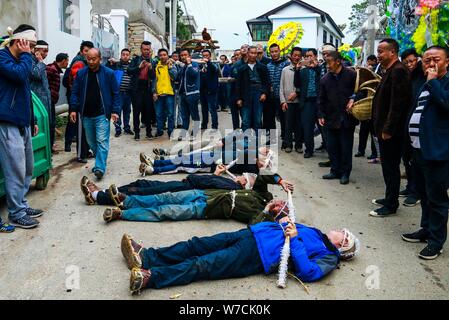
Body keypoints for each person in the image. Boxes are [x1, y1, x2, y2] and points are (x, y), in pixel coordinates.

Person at [120, 215, 359, 293]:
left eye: (343, 234)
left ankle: (150, 277)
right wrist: (279, 216)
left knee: (202, 265)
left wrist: (294, 238)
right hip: (250, 234)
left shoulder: (330, 256)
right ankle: (146, 255)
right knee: (196, 244)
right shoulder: (317, 233)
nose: (339, 230)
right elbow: (285, 231)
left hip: (256, 257)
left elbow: (309, 272)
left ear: (343, 245)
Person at [401, 46, 449, 260]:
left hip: (438, 153)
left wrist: (433, 81)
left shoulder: (439, 83)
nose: (430, 64)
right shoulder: (424, 84)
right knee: (424, 195)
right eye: (427, 60)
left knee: (437, 199)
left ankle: (436, 242)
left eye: (435, 59)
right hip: (418, 150)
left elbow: (446, 104)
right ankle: (426, 229)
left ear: (447, 62)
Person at [0, 24, 44, 230]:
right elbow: (18, 76)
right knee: (15, 169)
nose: (33, 50)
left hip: (23, 121)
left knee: (27, 167)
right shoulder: (3, 58)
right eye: (31, 45)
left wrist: (32, 120)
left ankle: (22, 205)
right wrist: (27, 56)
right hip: (7, 122)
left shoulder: (21, 60)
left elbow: (26, 92)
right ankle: (16, 213)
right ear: (20, 42)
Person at [81, 166, 293, 206]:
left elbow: (267, 175)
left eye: (247, 178)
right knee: (142, 183)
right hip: (186, 183)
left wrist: (280, 181)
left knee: (146, 193)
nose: (242, 177)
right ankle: (107, 192)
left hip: (188, 191)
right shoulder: (229, 182)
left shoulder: (238, 191)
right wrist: (216, 173)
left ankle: (98, 196)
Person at [370, 39, 412, 217]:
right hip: (385, 130)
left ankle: (391, 204)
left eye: (381, 51)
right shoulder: (390, 70)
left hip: (392, 132)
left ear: (392, 52)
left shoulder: (398, 71)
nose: (378, 55)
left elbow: (398, 105)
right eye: (378, 51)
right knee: (387, 167)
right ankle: (389, 197)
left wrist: (387, 129)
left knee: (391, 167)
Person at [69, 48, 120, 180]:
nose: (91, 62)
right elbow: (75, 92)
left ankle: (99, 168)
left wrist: (115, 111)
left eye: (94, 59)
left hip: (102, 114)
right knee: (91, 142)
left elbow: (115, 93)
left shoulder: (108, 73)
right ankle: (100, 161)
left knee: (102, 141)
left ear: (100, 59)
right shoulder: (81, 74)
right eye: (88, 59)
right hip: (86, 114)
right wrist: (73, 109)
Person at [318, 51, 358, 185]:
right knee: (332, 146)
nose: (327, 66)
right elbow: (321, 99)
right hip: (331, 118)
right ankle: (334, 170)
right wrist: (321, 115)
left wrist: (353, 98)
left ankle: (345, 173)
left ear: (338, 61)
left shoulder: (352, 75)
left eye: (329, 62)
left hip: (347, 118)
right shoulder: (325, 79)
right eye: (326, 62)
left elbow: (361, 91)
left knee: (346, 147)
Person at [399, 48, 426, 207]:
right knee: (407, 158)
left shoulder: (425, 77)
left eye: (412, 61)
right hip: (407, 124)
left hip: (420, 128)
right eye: (406, 62)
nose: (409, 64)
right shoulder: (409, 77)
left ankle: (416, 192)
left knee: (416, 161)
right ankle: (410, 187)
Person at [63, 40, 94, 162]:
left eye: (89, 51)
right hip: (79, 101)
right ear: (82, 51)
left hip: (83, 101)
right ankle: (81, 155)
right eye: (86, 51)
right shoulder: (79, 62)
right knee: (80, 129)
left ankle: (85, 152)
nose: (87, 53)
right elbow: (77, 85)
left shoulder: (85, 62)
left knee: (84, 128)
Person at [236, 46, 269, 132]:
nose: (253, 55)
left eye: (255, 53)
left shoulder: (262, 67)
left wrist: (264, 93)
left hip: (258, 94)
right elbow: (238, 85)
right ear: (247, 54)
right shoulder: (242, 69)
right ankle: (246, 143)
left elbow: (266, 82)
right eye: (251, 53)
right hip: (245, 95)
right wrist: (239, 98)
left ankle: (256, 143)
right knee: (246, 121)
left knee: (257, 120)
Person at [296, 48, 322, 158]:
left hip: (320, 102)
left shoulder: (321, 69)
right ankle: (309, 150)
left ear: (316, 56)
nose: (308, 58)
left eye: (310, 56)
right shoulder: (302, 71)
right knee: (307, 128)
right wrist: (297, 70)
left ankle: (328, 149)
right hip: (307, 102)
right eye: (306, 56)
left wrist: (316, 67)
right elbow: (296, 84)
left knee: (323, 127)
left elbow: (322, 78)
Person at [127, 41, 155, 141]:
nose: (147, 51)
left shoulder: (153, 61)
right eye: (145, 49)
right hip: (136, 88)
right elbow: (129, 71)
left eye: (148, 49)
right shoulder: (136, 59)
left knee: (148, 111)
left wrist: (151, 69)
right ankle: (137, 133)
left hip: (147, 89)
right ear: (141, 49)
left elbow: (153, 77)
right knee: (136, 112)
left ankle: (148, 132)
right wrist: (139, 67)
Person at [314, 43, 337, 159]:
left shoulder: (342, 67)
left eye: (328, 54)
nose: (325, 56)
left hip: (335, 106)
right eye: (323, 54)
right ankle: (331, 159)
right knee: (325, 131)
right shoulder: (322, 66)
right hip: (323, 103)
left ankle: (336, 162)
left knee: (335, 136)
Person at [266, 43, 291, 147]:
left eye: (276, 51)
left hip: (282, 97)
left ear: (279, 51)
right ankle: (272, 139)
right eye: (272, 52)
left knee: (284, 118)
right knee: (269, 119)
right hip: (270, 97)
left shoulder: (286, 64)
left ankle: (285, 139)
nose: (274, 53)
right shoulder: (268, 65)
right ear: (270, 53)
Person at [106, 48, 134, 137]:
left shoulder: (132, 65)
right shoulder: (116, 65)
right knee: (117, 111)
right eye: (123, 54)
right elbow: (106, 69)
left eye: (127, 54)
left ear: (129, 56)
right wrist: (109, 62)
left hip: (128, 93)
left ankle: (127, 128)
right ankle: (118, 129)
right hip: (118, 93)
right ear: (121, 55)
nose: (125, 56)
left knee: (127, 111)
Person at [280, 47, 302, 154]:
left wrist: (297, 93)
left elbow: (305, 86)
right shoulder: (285, 70)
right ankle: (288, 145)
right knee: (288, 125)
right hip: (288, 102)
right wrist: (283, 101)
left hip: (299, 102)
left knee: (298, 125)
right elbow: (281, 87)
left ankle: (298, 145)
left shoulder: (303, 70)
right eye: (295, 55)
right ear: (291, 56)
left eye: (299, 55)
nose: (296, 57)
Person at [152, 48, 178, 138]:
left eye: (164, 55)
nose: (163, 56)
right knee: (159, 114)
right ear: (158, 57)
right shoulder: (156, 66)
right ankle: (159, 131)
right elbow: (154, 81)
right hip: (158, 94)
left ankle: (170, 132)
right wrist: (154, 92)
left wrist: (170, 67)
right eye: (161, 55)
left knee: (171, 114)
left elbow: (174, 77)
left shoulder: (172, 65)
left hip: (169, 94)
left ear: (167, 56)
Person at [46, 52, 69, 153]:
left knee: (52, 123)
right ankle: (50, 148)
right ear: (63, 61)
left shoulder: (54, 69)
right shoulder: (51, 69)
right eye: (67, 61)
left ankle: (51, 146)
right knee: (50, 124)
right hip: (48, 100)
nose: (68, 63)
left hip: (51, 99)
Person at [30, 40, 52, 144]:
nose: (46, 54)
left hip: (45, 101)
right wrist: (40, 62)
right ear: (36, 50)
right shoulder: (31, 60)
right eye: (44, 51)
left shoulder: (39, 63)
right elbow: (35, 74)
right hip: (36, 103)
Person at [178, 49, 201, 138]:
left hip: (192, 93)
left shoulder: (194, 64)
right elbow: (178, 78)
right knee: (184, 115)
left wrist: (189, 64)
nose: (183, 57)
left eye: (185, 55)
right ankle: (183, 133)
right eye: (182, 55)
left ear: (189, 56)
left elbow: (194, 74)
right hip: (183, 94)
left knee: (194, 114)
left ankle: (194, 133)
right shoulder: (183, 66)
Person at [199, 49, 220, 130]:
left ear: (210, 56)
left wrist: (208, 62)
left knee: (212, 109)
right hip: (202, 91)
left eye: (206, 55)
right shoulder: (200, 65)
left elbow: (215, 71)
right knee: (204, 109)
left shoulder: (213, 64)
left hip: (211, 91)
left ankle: (214, 126)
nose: (205, 57)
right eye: (203, 55)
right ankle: (204, 125)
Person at [171, 51, 183, 129]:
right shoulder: (170, 65)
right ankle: (172, 123)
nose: (175, 58)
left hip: (180, 88)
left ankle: (180, 122)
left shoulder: (181, 65)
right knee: (173, 107)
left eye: (176, 56)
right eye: (174, 56)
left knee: (180, 107)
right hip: (172, 89)